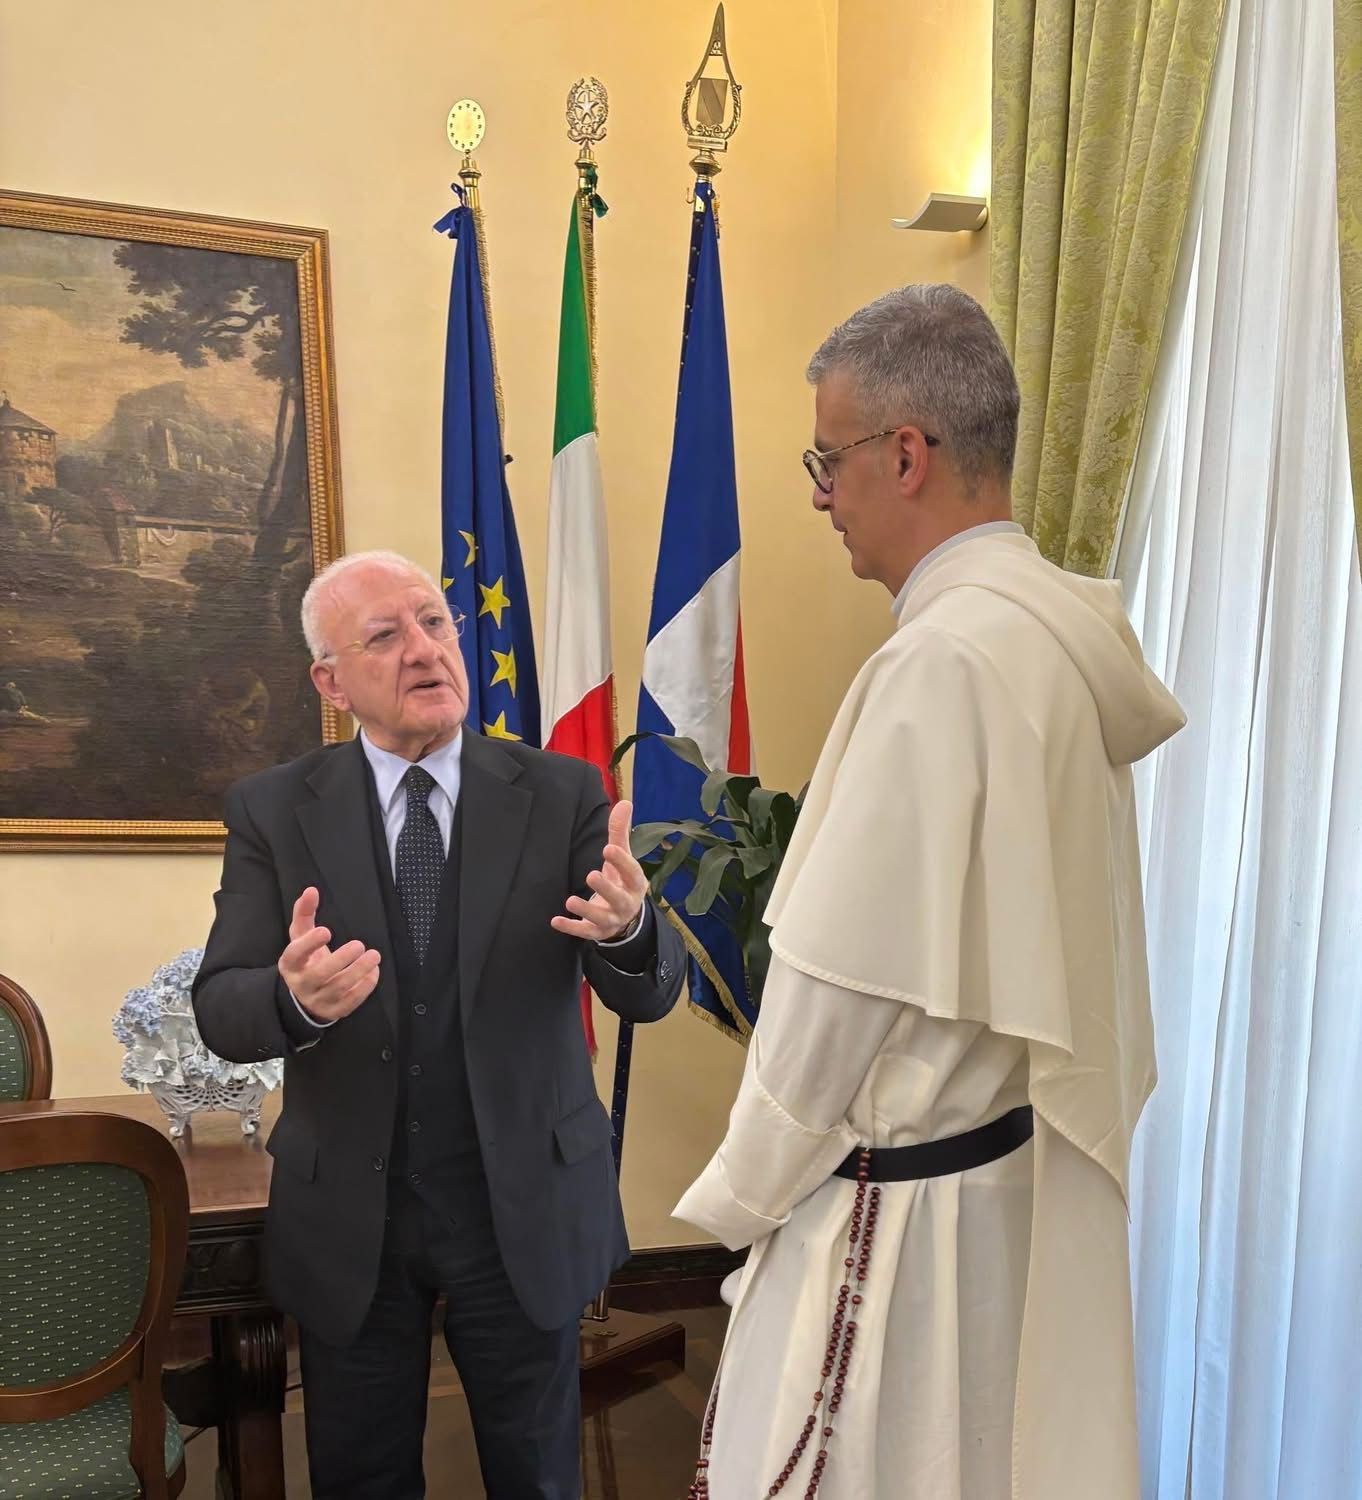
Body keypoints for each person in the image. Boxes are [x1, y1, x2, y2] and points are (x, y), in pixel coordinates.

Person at [675, 285, 1185, 1500]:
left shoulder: (941, 659)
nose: (819, 494)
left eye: (828, 459)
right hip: (999, 1193)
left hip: (894, 1238)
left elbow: (835, 997)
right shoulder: (1054, 642)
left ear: (906, 455)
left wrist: (737, 1196)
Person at [193, 549, 684, 1500]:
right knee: (361, 1477)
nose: (424, 650)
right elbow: (222, 1007)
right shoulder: (272, 808)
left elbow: (646, 995)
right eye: (384, 635)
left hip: (521, 1202)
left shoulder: (562, 792)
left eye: (434, 622)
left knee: (537, 1477)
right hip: (352, 1215)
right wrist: (293, 1000)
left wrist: (630, 931)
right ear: (331, 683)